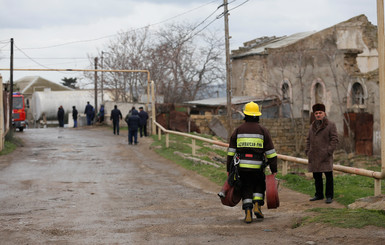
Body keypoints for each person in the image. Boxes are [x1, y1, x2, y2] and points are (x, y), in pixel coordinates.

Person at [226, 101, 277, 223]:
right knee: (259, 184)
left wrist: (229, 168)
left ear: (245, 115)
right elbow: (271, 152)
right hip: (258, 166)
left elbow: (231, 152)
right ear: (258, 115)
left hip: (242, 167)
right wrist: (274, 169)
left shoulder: (238, 130)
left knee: (246, 187)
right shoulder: (263, 130)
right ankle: (257, 206)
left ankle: (248, 211)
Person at [305, 103, 339, 204]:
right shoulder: (312, 126)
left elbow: (334, 139)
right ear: (314, 114)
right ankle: (319, 194)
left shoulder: (330, 125)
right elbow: (308, 140)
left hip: (325, 156)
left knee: (328, 176)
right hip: (314, 155)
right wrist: (307, 150)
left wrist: (329, 151)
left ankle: (329, 196)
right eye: (316, 113)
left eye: (320, 113)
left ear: (324, 113)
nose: (318, 115)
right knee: (317, 176)